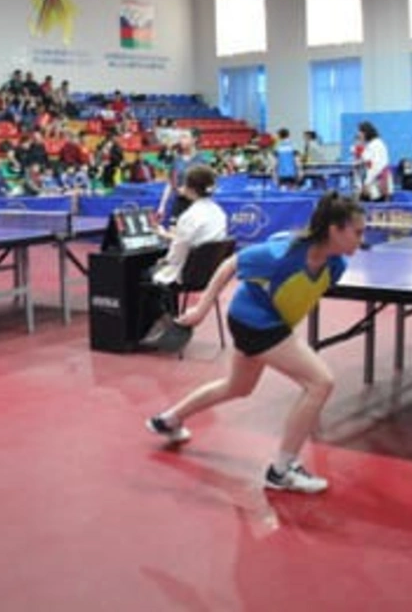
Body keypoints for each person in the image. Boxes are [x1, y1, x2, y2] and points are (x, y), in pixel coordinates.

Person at [146, 192, 367, 494]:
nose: (362, 239)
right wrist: (201, 309)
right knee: (320, 383)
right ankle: (282, 470)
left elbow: (298, 292)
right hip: (255, 321)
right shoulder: (281, 254)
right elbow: (230, 264)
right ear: (334, 230)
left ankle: (168, 420)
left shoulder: (336, 265)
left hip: (265, 321)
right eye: (357, 232)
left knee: (238, 387)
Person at [144, 165, 228, 319]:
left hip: (187, 276)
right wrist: (166, 235)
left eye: (184, 183)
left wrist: (164, 260)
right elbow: (198, 241)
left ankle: (163, 323)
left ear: (191, 189)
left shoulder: (189, 216)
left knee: (144, 274)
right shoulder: (219, 212)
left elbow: (176, 256)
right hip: (211, 274)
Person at [356, 121, 390, 202]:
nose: (358, 135)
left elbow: (376, 167)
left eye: (360, 132)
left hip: (377, 183)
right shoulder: (371, 145)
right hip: (372, 181)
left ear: (366, 132)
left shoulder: (376, 145)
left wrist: (367, 182)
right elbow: (365, 159)